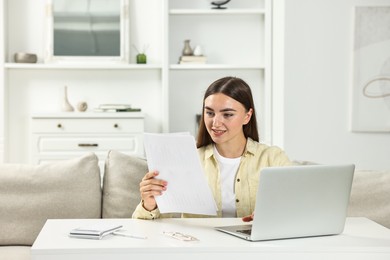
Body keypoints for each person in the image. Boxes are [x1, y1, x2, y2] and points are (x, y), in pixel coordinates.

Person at [132, 76, 292, 221]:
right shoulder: (187, 159)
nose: (215, 123)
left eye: (227, 114)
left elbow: (296, 207)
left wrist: (275, 215)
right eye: (209, 113)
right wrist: (149, 203)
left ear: (247, 116)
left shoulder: (273, 158)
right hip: (200, 249)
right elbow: (146, 228)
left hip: (254, 250)